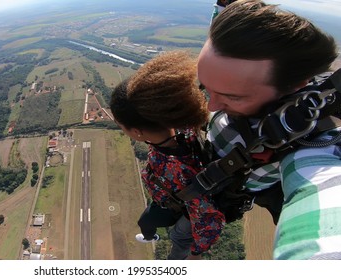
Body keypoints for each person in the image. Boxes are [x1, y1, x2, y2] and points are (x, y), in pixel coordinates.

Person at [197, 0, 341, 259]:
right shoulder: (233, 63)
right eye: (207, 87)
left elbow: (326, 227)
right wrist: (224, 9)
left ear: (295, 86)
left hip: (259, 188)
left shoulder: (311, 143)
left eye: (232, 97)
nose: (211, 105)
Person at [110, 51, 225, 260]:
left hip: (184, 208)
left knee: (179, 237)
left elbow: (207, 218)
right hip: (172, 199)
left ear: (137, 132)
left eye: (121, 126)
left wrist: (196, 253)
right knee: (146, 221)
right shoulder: (184, 126)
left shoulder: (173, 168)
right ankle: (149, 235)